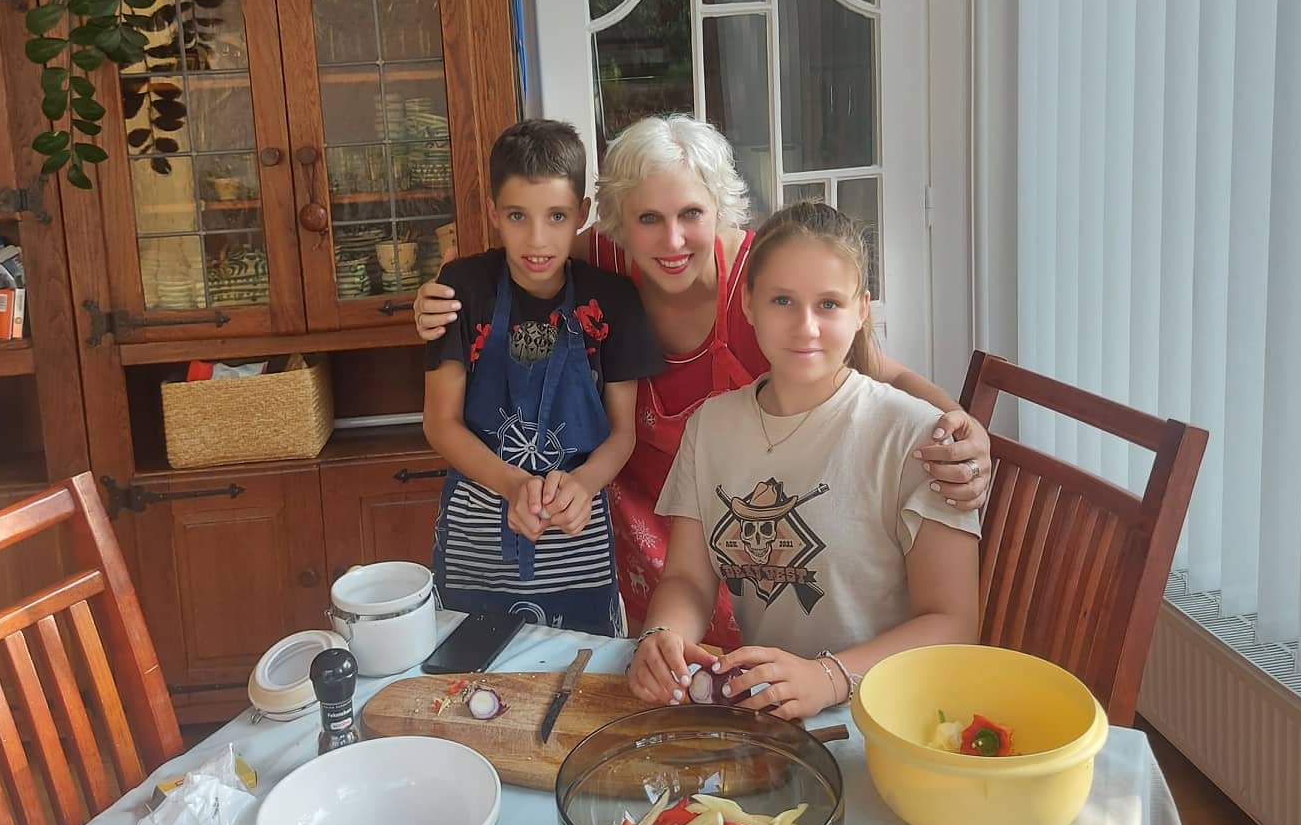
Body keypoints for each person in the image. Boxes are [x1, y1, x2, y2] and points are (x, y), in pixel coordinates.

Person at [417, 115, 993, 646]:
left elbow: (877, 369)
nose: (671, 242)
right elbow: (522, 258)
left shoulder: (767, 280)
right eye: (648, 219)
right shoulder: (598, 265)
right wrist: (435, 301)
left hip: (745, 530)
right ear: (616, 221)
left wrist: (963, 426)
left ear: (719, 208)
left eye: (691, 214)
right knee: (660, 668)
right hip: (622, 517)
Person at [627, 200, 980, 718]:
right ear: (747, 304)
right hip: (767, 716)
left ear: (863, 309)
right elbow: (688, 579)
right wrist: (663, 638)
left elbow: (954, 622)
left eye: (829, 304)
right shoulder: (710, 426)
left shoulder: (916, 436)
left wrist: (829, 676)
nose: (806, 327)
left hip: (890, 717)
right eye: (783, 301)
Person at [422, 119, 665, 636]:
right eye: (517, 216)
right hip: (477, 541)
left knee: (580, 686)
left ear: (582, 214)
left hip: (577, 532)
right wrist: (513, 486)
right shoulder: (462, 288)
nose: (537, 240)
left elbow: (623, 432)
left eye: (556, 216)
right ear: (493, 213)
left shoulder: (614, 299)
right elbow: (441, 423)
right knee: (470, 688)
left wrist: (583, 483)